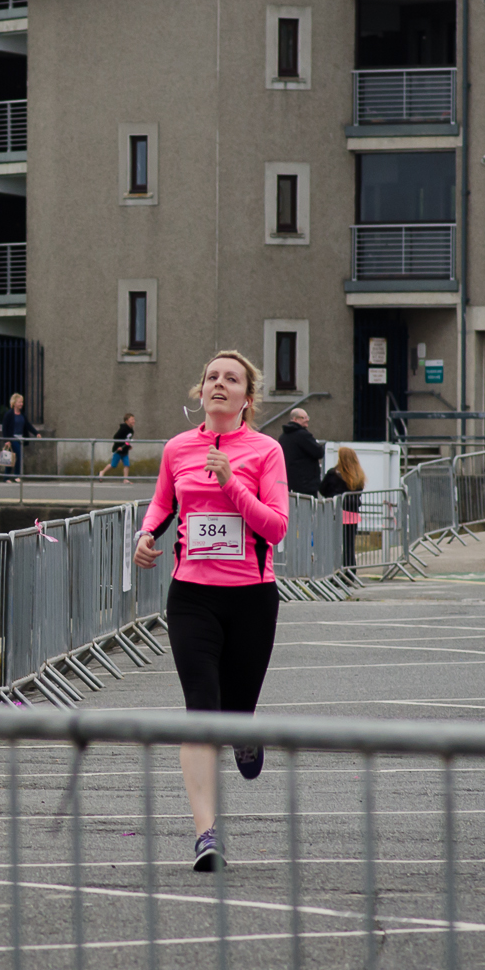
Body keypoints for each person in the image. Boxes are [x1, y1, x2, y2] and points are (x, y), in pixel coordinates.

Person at [133, 350, 288, 873]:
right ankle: (206, 834)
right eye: (212, 378)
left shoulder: (266, 451)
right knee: (201, 710)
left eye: (232, 379)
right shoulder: (178, 448)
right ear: (200, 392)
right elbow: (161, 503)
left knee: (236, 710)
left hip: (251, 597)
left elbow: (276, 527)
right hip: (192, 596)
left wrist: (231, 484)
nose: (220, 384)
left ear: (248, 398)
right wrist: (144, 534)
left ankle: (244, 733)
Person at [319, 446, 364, 569]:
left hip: (337, 514)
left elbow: (322, 489)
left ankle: (336, 572)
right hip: (352, 515)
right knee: (349, 545)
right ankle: (350, 571)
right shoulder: (358, 475)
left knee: (334, 545)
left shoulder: (333, 474)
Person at [279, 408, 324, 495]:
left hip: (289, 482)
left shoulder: (283, 437)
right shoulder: (303, 435)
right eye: (303, 418)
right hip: (306, 484)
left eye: (307, 417)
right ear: (295, 419)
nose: (307, 420)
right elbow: (319, 452)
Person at [0, 392, 38, 481]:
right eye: (19, 402)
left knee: (11, 458)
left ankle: (7, 477)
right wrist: (7, 440)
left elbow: (27, 425)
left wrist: (36, 433)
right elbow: (5, 428)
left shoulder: (22, 414)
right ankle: (16, 476)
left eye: (22, 402)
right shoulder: (9, 414)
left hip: (20, 438)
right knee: (18, 456)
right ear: (14, 403)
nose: (21, 404)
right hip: (12, 438)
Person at [99, 413, 136, 483]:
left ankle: (125, 479)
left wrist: (129, 446)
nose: (133, 421)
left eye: (134, 419)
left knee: (127, 465)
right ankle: (102, 472)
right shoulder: (123, 429)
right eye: (132, 419)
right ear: (126, 421)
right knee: (113, 465)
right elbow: (116, 437)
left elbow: (127, 440)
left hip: (125, 451)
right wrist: (118, 446)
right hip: (118, 450)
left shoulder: (131, 431)